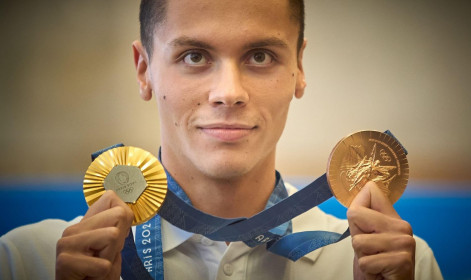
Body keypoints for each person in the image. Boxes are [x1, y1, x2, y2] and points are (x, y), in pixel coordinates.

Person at [0, 0, 443, 279]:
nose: (229, 92)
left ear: (299, 68)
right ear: (144, 69)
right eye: (195, 56)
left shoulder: (397, 263)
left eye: (260, 55)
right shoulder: (25, 261)